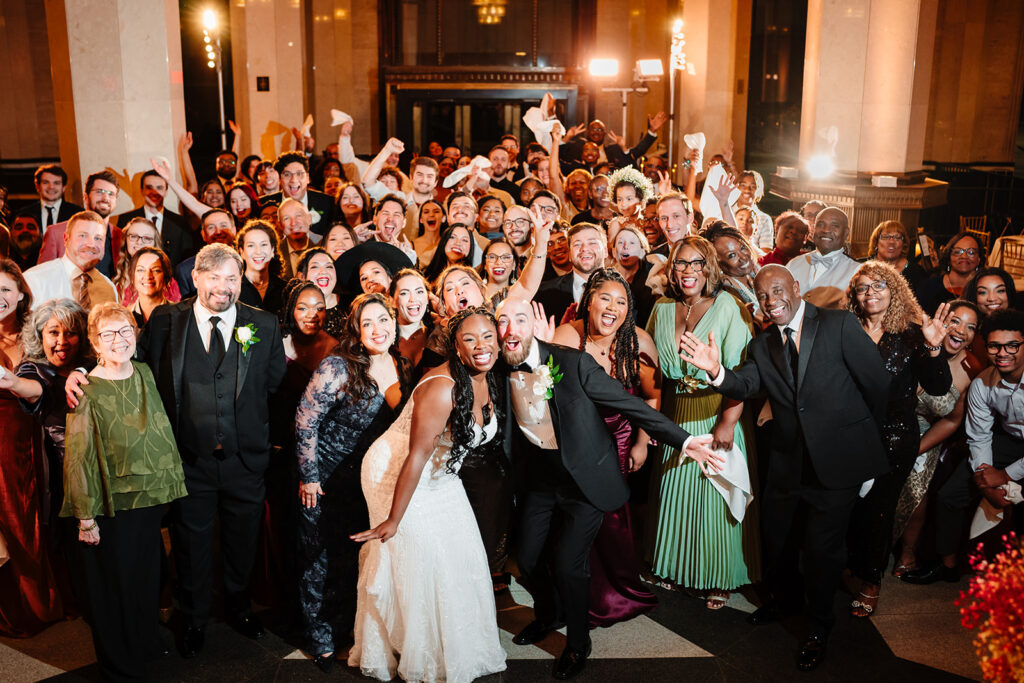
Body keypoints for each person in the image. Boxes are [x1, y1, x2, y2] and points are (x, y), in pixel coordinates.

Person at [67, 243, 287, 658]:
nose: (224, 287)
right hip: (189, 460)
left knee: (243, 542)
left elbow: (273, 383)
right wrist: (81, 370)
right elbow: (129, 355)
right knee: (191, 544)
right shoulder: (168, 320)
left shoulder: (264, 323)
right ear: (197, 278)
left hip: (246, 459)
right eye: (216, 278)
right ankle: (194, 618)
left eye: (232, 278)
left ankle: (240, 609)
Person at [678, 264, 892, 671]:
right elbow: (743, 385)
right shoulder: (763, 345)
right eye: (762, 295)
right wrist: (715, 370)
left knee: (822, 550)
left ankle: (817, 627)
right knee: (778, 539)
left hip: (838, 465)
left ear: (796, 288)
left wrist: (860, 447)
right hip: (789, 463)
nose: (771, 300)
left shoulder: (839, 324)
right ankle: (787, 602)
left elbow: (877, 386)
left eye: (777, 290)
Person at [496, 296, 720, 679]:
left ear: (534, 325)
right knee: (529, 560)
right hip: (541, 481)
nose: (511, 329)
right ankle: (550, 614)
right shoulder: (497, 368)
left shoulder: (572, 362)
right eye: (502, 321)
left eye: (520, 319)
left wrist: (683, 441)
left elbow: (635, 407)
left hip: (587, 479)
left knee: (570, 563)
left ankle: (579, 642)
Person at [349, 307, 508, 683]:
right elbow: (416, 454)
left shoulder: (486, 373)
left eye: (488, 336)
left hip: (441, 472)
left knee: (459, 553)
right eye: (470, 339)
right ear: (455, 346)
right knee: (418, 558)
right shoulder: (442, 388)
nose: (481, 345)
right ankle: (415, 653)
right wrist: (393, 519)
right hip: (396, 471)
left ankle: (454, 645)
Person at [61, 303, 187, 680]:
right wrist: (86, 517)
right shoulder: (86, 389)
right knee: (115, 588)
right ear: (94, 343)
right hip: (111, 505)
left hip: (148, 501)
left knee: (145, 579)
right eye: (108, 334)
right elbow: (78, 459)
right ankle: (120, 664)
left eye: (126, 331)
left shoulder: (144, 371)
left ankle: (143, 641)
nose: (119, 340)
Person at [295, 293, 409, 671]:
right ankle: (321, 637)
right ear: (357, 332)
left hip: (370, 480)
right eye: (368, 323)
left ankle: (347, 629)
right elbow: (305, 420)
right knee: (320, 559)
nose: (378, 329)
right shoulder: (339, 366)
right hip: (327, 478)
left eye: (384, 320)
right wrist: (309, 478)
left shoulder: (400, 363)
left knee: (355, 557)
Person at [645, 236, 759, 606]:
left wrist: (727, 424)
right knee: (675, 497)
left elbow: (741, 375)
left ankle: (718, 576)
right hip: (676, 419)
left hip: (717, 414)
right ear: (671, 269)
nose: (688, 270)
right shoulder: (661, 308)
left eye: (697, 263)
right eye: (681, 263)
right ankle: (677, 570)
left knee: (713, 501)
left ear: (709, 267)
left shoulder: (729, 306)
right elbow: (655, 375)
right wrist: (653, 423)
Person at [842, 262, 953, 618]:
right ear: (854, 297)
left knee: (878, 509)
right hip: (848, 435)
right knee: (847, 507)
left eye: (879, 285)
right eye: (863, 287)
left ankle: (871, 581)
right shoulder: (845, 330)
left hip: (893, 436)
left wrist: (935, 348)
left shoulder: (910, 334)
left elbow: (937, 387)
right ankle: (850, 564)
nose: (871, 292)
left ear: (894, 291)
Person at [551, 269, 660, 626]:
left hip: (619, 438)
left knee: (612, 520)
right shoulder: (568, 335)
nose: (613, 307)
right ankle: (574, 590)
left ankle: (615, 590)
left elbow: (652, 395)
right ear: (589, 302)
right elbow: (549, 396)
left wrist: (642, 442)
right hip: (577, 438)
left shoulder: (639, 342)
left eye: (622, 301)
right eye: (605, 298)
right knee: (574, 518)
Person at [904, 309, 1024, 585]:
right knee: (949, 496)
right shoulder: (983, 383)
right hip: (1007, 440)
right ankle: (948, 566)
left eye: (1012, 346)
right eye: (994, 346)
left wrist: (1005, 476)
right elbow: (979, 435)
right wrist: (985, 478)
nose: (1002, 353)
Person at [0, 260, 67, 637]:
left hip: (31, 438)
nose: (0, 298)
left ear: (22, 294)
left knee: (29, 517)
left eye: (6, 290)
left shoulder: (34, 333)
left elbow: (46, 383)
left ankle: (36, 598)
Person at [892, 301, 983, 578]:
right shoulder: (911, 345)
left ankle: (907, 553)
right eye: (955, 321)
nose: (961, 331)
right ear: (940, 319)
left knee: (916, 480)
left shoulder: (972, 368)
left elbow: (953, 420)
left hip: (927, 434)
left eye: (971, 327)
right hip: (890, 424)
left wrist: (915, 449)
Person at [37, 172, 124, 279]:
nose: (105, 198)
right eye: (99, 192)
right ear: (85, 197)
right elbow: (42, 277)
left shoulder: (121, 236)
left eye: (111, 194)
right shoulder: (56, 233)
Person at [25, 210, 118, 310]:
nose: (91, 244)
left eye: (98, 238)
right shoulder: (35, 280)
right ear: (66, 239)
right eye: (83, 236)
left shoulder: (109, 288)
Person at [786, 207, 861, 309]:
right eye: (820, 224)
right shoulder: (793, 264)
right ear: (814, 229)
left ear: (846, 233)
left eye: (835, 226)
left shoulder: (857, 271)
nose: (826, 230)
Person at [115, 170, 193, 267]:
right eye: (149, 187)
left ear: (166, 191)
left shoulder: (180, 223)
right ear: (141, 190)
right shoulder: (125, 220)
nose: (154, 192)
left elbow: (187, 261)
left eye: (159, 188)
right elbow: (119, 256)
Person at [535, 222, 608, 324]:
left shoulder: (627, 291)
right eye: (577, 244)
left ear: (605, 250)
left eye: (592, 243)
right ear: (569, 254)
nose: (584, 249)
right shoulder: (544, 293)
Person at [114, 217, 183, 306]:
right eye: (134, 236)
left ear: (155, 244)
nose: (139, 242)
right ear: (125, 240)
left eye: (147, 238)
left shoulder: (167, 284)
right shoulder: (118, 281)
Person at [915, 231, 985, 316]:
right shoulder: (928, 287)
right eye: (957, 252)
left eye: (971, 252)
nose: (964, 256)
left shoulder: (985, 291)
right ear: (949, 256)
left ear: (979, 259)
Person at [705, 222, 761, 317]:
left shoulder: (755, 274)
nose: (743, 257)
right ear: (718, 264)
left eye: (742, 248)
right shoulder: (725, 292)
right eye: (732, 255)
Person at [235, 219, 287, 315]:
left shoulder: (286, 290)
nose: (258, 251)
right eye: (251, 245)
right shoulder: (233, 288)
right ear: (242, 252)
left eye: (263, 245)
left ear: (273, 250)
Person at [866, 220, 926, 294]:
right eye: (885, 237)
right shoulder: (863, 268)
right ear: (876, 243)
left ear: (903, 244)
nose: (891, 242)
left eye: (897, 237)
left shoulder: (917, 272)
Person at [16, 164, 83, 230]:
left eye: (56, 183)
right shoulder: (23, 214)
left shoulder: (77, 214)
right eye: (46, 182)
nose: (51, 187)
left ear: (64, 187)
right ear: (37, 186)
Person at [295, 247, 344, 337]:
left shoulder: (352, 304)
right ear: (301, 276)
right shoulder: (292, 311)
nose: (323, 271)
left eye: (329, 266)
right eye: (315, 267)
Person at [389, 269, 431, 371]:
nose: (413, 299)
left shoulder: (439, 334)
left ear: (427, 297)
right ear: (392, 301)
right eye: (404, 293)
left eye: (419, 291)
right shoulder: (384, 338)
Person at [126, 246, 176, 326]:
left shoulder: (179, 315)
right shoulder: (123, 317)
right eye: (141, 270)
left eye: (156, 270)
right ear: (132, 276)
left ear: (166, 277)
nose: (148, 276)